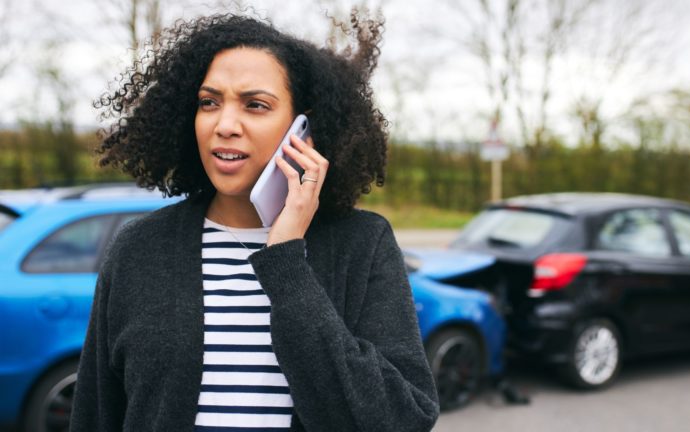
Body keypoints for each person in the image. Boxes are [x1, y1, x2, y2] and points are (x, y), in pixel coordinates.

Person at [70, 11, 439, 432]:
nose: (224, 125)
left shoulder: (363, 244)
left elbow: (402, 419)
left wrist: (286, 264)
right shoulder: (140, 247)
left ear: (303, 131)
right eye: (209, 102)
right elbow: (95, 413)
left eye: (255, 105)